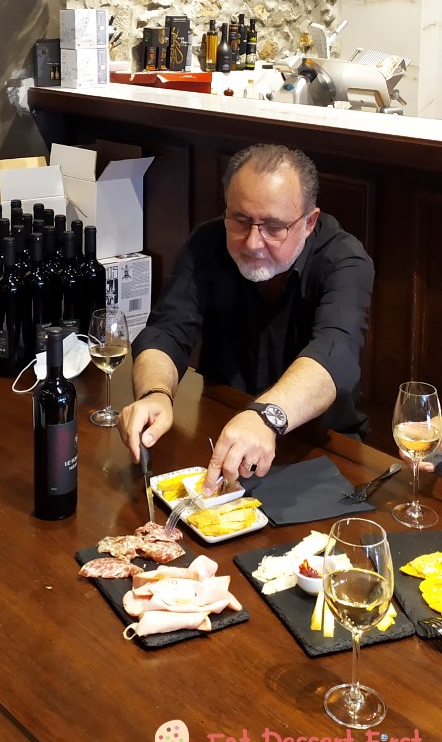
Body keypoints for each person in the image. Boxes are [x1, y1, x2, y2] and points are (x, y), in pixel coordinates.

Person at [119, 143, 373, 494]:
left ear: (309, 222)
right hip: (223, 439)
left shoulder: (344, 259)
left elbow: (336, 353)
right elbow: (166, 330)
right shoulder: (207, 242)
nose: (253, 242)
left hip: (317, 452)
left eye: (273, 226)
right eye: (240, 220)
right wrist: (155, 393)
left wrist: (266, 417)